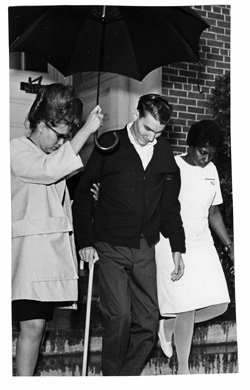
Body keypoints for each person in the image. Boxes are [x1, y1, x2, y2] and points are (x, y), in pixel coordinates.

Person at [72, 93, 186, 376]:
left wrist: (177, 247)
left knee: (148, 323)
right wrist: (85, 241)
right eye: (148, 129)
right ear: (136, 115)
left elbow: (170, 206)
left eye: (158, 132)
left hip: (144, 246)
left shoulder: (163, 152)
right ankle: (112, 377)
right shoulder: (110, 143)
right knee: (120, 316)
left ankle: (125, 378)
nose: (152, 138)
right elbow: (84, 194)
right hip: (109, 244)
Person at [11, 83, 103, 376]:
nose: (62, 143)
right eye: (60, 135)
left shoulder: (52, 157)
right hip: (22, 258)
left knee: (37, 328)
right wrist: (87, 130)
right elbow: (47, 171)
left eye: (67, 137)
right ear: (40, 124)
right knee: (33, 326)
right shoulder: (16, 150)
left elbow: (57, 196)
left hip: (44, 260)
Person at [156, 119, 234, 375]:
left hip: (202, 243)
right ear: (190, 145)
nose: (206, 158)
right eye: (203, 152)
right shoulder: (172, 166)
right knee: (187, 305)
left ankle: (168, 326)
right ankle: (183, 370)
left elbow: (213, 213)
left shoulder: (211, 171)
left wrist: (229, 245)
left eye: (211, 154)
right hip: (171, 242)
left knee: (220, 304)